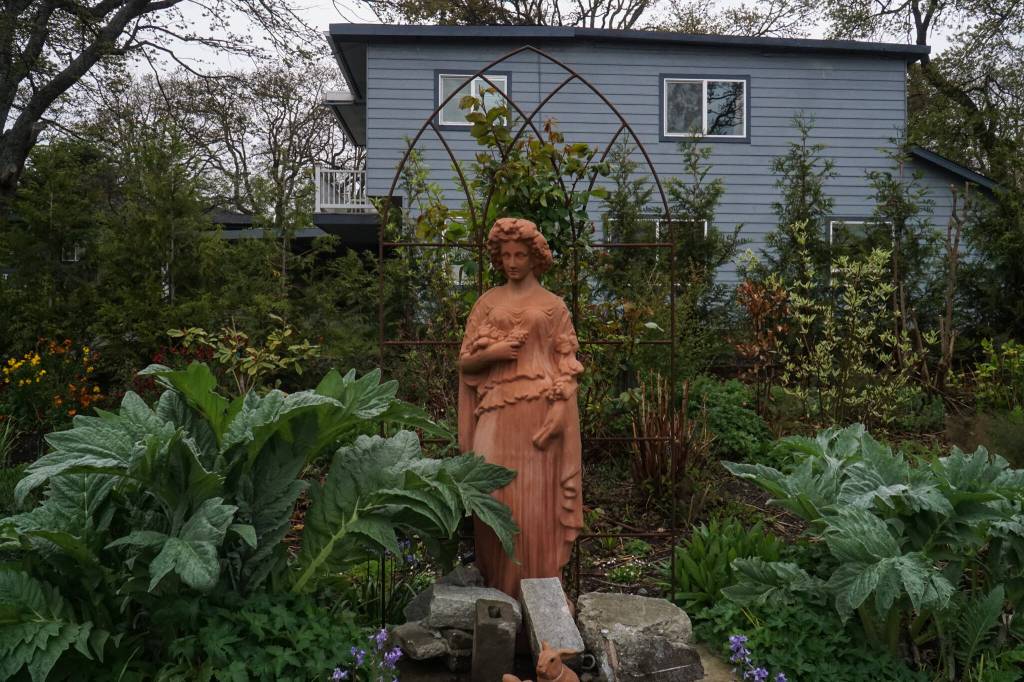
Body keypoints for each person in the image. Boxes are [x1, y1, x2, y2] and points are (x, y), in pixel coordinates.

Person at [458, 217, 584, 597]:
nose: (512, 262)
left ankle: (542, 608)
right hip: (495, 414)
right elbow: (465, 362)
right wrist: (493, 353)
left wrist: (563, 407)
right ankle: (499, 603)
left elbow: (568, 364)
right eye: (506, 255)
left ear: (535, 257)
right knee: (493, 501)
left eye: (520, 255)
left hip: (539, 417)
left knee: (535, 512)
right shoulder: (487, 303)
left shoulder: (553, 306)